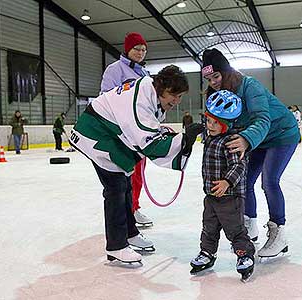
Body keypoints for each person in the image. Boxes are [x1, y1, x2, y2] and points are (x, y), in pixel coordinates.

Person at [69, 65, 204, 263]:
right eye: (173, 95)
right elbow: (149, 143)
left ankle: (130, 232)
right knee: (115, 188)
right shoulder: (141, 99)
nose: (176, 101)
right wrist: (183, 140)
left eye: (180, 96)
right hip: (97, 133)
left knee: (125, 185)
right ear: (161, 88)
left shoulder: (151, 93)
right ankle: (116, 245)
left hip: (109, 132)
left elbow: (149, 132)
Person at [202, 48, 300, 258]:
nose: (213, 82)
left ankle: (279, 233)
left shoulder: (249, 86)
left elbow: (262, 119)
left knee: (269, 181)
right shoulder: (216, 94)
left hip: (281, 134)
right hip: (259, 139)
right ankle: (250, 225)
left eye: (216, 76)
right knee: (244, 180)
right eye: (209, 79)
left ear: (227, 72)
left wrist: (246, 139)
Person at [190, 90, 255, 281]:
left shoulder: (231, 141)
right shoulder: (210, 136)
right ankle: (207, 253)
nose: (209, 125)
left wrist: (227, 182)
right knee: (208, 227)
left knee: (234, 229)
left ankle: (245, 254)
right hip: (211, 195)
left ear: (225, 125)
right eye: (207, 120)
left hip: (230, 197)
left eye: (213, 122)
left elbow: (239, 165)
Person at [100, 32, 152, 227]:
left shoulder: (145, 74)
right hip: (122, 132)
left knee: (138, 174)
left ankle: (134, 207)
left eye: (144, 50)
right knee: (124, 176)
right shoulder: (115, 70)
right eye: (137, 49)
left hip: (140, 133)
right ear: (127, 49)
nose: (140, 53)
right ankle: (125, 213)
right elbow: (105, 97)